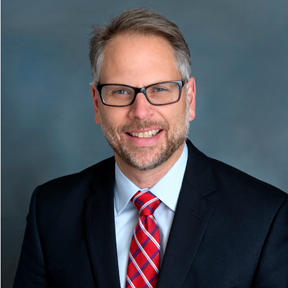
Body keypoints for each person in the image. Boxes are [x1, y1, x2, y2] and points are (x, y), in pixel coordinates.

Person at [14, 8, 288, 288]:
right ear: (97, 105)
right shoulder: (50, 211)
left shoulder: (265, 219)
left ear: (189, 99)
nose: (141, 112)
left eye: (160, 89)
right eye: (120, 91)